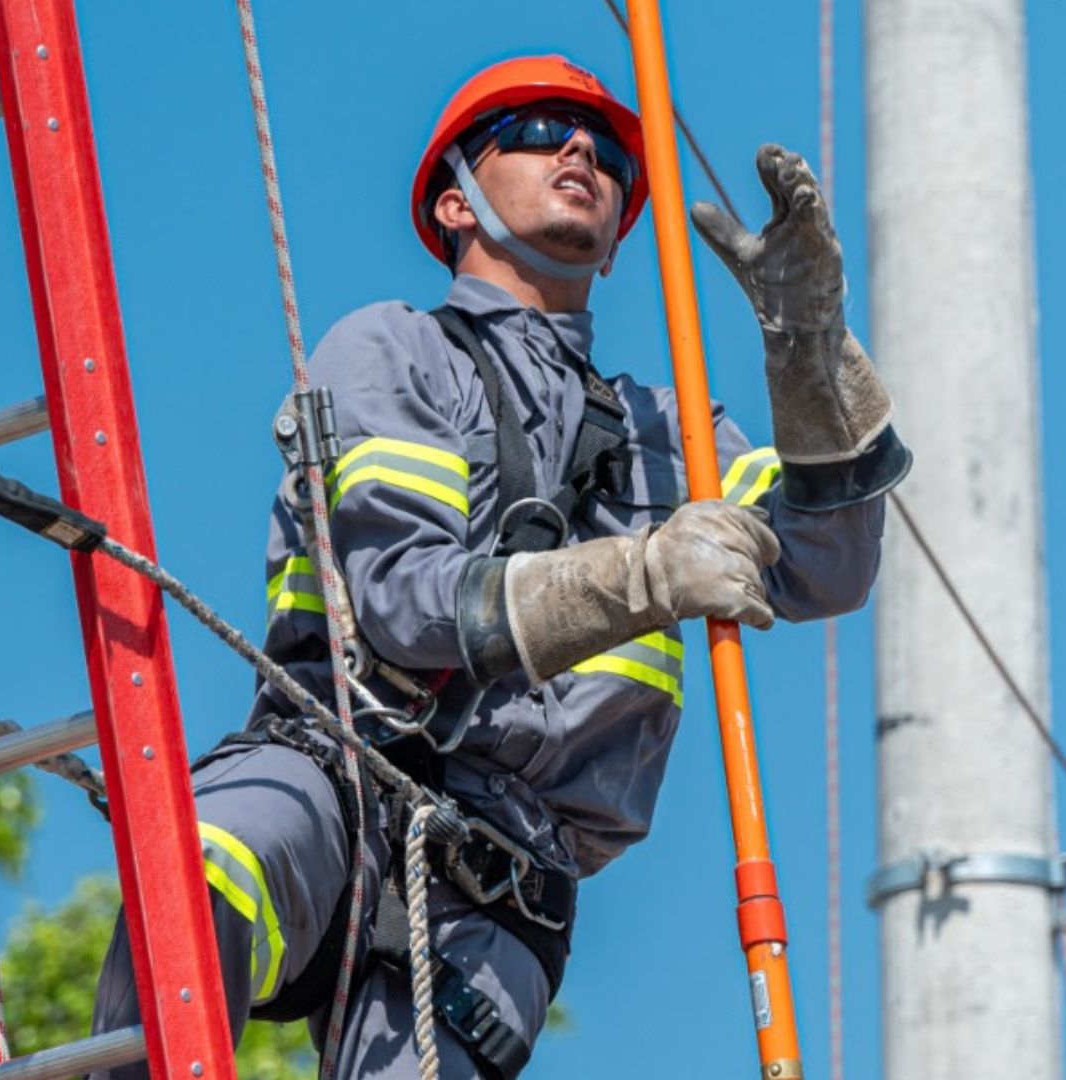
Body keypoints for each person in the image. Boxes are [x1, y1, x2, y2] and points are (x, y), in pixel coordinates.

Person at [91, 54, 909, 1080]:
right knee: (212, 867)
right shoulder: (396, 353)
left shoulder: (674, 435)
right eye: (533, 133)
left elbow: (830, 566)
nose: (580, 152)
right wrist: (646, 576)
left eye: (608, 153)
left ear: (621, 240)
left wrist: (810, 352)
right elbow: (405, 604)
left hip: (502, 881)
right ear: (454, 201)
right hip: (331, 770)